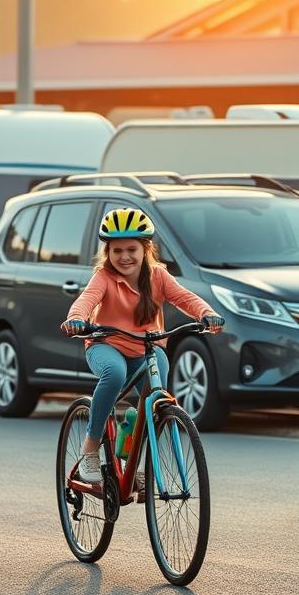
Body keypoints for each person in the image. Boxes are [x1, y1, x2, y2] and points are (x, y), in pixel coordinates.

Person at [61, 207, 225, 483]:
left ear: (146, 249)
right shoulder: (104, 277)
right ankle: (91, 445)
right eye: (117, 251)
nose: (124, 257)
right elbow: (86, 300)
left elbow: (185, 298)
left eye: (131, 249)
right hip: (106, 344)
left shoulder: (158, 276)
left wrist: (206, 314)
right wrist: (76, 319)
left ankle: (131, 450)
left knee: (156, 398)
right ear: (108, 253)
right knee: (115, 373)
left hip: (147, 348)